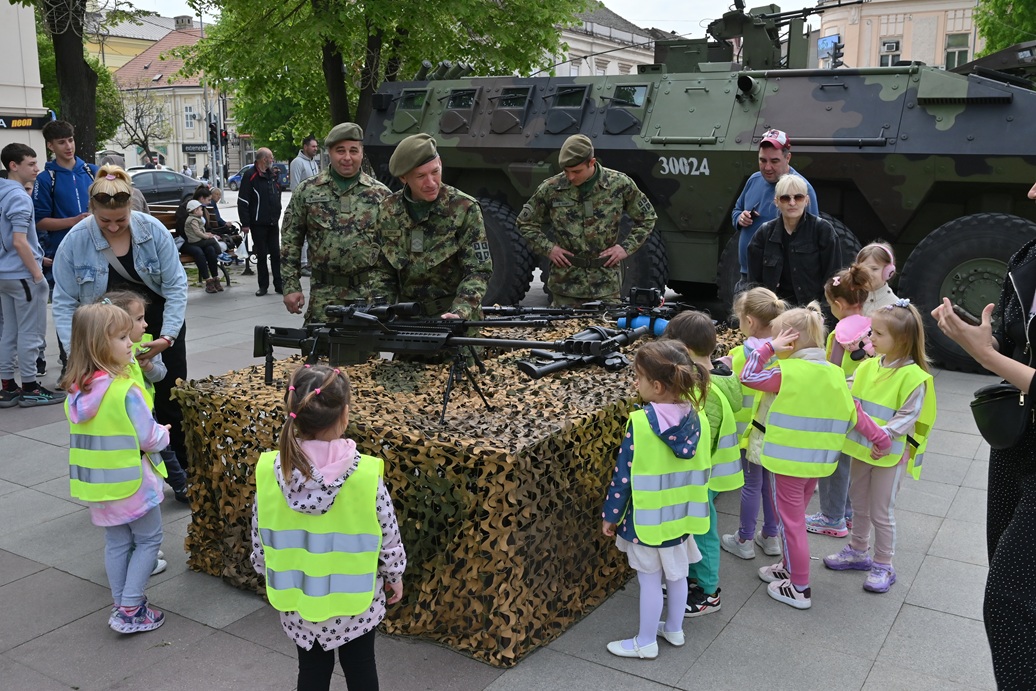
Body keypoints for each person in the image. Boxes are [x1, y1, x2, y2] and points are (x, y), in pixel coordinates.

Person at [932, 178, 1036, 685]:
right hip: (1019, 443)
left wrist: (985, 354)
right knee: (1009, 576)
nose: (1032, 192)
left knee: (1009, 603)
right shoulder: (1028, 257)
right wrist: (991, 341)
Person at [251, 364, 406, 690]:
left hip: (298, 601)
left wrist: (267, 570)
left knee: (311, 673)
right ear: (345, 414)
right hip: (355, 603)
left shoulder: (270, 471)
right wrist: (394, 576)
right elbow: (388, 534)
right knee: (362, 670)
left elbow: (261, 534)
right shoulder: (365, 476)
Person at [52, 165, 190, 471]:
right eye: (104, 221)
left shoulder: (152, 230)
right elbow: (63, 302)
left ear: (132, 208)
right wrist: (76, 351)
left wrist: (167, 337)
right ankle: (131, 473)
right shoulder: (75, 241)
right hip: (104, 334)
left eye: (121, 220)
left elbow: (177, 285)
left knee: (171, 398)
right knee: (115, 404)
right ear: (91, 210)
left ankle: (183, 472)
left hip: (153, 324)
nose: (113, 227)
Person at [60, 302, 170, 634]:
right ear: (99, 344)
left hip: (100, 486)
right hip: (132, 482)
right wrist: (163, 433)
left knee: (117, 543)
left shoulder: (78, 392)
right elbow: (149, 438)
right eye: (122, 337)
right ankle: (131, 608)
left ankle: (121, 604)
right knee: (149, 539)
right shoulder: (125, 390)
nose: (130, 343)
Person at [740, 303, 857, 609]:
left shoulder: (787, 371)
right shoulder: (833, 372)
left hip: (787, 461)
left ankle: (800, 587)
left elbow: (748, 376)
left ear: (789, 341)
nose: (775, 342)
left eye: (778, 337)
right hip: (817, 461)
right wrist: (878, 438)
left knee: (790, 524)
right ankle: (788, 567)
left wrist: (767, 348)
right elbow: (853, 413)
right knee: (794, 519)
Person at [601, 339, 710, 658]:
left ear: (658, 385)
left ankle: (645, 642)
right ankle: (674, 629)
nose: (635, 383)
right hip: (682, 517)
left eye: (638, 377)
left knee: (650, 582)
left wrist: (611, 515)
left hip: (646, 521)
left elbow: (623, 477)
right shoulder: (699, 418)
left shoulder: (640, 424)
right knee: (678, 576)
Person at [825, 300, 936, 594]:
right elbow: (851, 395)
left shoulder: (914, 377)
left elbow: (908, 416)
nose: (870, 338)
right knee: (859, 503)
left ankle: (884, 564)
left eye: (877, 334)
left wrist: (882, 436)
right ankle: (858, 550)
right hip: (863, 450)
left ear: (901, 340)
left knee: (881, 512)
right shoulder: (868, 366)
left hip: (888, 454)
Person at [663, 311, 743, 618]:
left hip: (702, 476)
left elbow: (695, 442)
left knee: (702, 531)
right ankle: (693, 580)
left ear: (683, 349)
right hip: (711, 473)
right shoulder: (721, 376)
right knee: (697, 528)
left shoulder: (701, 390)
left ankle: (708, 592)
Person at [517, 134, 657, 306]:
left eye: (576, 171)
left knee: (605, 331)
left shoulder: (619, 184)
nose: (570, 177)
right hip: (565, 285)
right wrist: (549, 249)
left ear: (592, 162)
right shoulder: (552, 188)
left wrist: (625, 248)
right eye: (566, 171)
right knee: (564, 332)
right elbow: (525, 222)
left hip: (606, 285)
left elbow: (647, 217)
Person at [282, 124, 391, 324]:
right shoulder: (307, 191)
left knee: (367, 355)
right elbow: (290, 241)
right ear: (330, 152)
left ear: (361, 153)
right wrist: (291, 286)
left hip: (367, 295)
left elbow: (394, 248)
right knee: (319, 352)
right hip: (324, 296)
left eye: (353, 151)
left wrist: (390, 294)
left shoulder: (381, 194)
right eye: (340, 151)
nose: (347, 157)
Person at [377, 133, 491, 319]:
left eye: (435, 172)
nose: (431, 183)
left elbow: (478, 270)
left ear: (440, 163)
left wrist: (460, 311)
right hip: (407, 320)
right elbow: (381, 270)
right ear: (404, 178)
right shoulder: (388, 210)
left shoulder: (464, 208)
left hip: (455, 320)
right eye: (421, 176)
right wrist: (383, 310)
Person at [805, 265, 873, 539]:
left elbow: (831, 371)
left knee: (833, 464)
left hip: (841, 407)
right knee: (851, 463)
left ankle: (831, 518)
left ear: (839, 303)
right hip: (865, 405)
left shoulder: (840, 334)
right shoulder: (872, 327)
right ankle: (848, 514)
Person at [104, 289, 189, 504]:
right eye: (139, 319)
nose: (146, 324)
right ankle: (134, 487)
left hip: (146, 410)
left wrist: (148, 365)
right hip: (120, 414)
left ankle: (180, 484)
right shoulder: (106, 350)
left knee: (163, 448)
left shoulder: (148, 343)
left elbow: (161, 375)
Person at [720, 287, 786, 561]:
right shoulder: (785, 353)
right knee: (770, 486)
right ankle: (771, 537)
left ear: (748, 321)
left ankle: (744, 539)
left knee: (751, 485)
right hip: (774, 431)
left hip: (746, 434)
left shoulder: (738, 355)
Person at [0, 143, 62, 407]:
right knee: (30, 333)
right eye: (31, 163)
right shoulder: (18, 197)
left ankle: (7, 387)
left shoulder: (2, 191)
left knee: (10, 331)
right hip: (22, 275)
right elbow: (19, 241)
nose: (37, 168)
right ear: (14, 166)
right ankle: (30, 387)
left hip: (6, 273)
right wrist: (38, 276)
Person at [33, 120, 98, 372]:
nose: (68, 146)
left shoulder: (92, 171)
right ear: (50, 146)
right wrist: (74, 222)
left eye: (70, 140)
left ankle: (99, 359)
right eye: (61, 142)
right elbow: (39, 221)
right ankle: (69, 363)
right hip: (65, 252)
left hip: (97, 249)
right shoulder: (45, 178)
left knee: (97, 306)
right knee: (68, 308)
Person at [732, 128, 819, 285]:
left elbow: (812, 237)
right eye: (762, 160)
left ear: (788, 158)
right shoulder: (754, 180)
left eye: (774, 161)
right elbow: (736, 210)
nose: (767, 167)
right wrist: (739, 218)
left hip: (779, 281)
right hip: (747, 276)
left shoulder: (802, 189)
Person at [746, 173, 842, 308]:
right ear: (776, 201)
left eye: (798, 197)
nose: (792, 203)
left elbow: (833, 279)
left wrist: (822, 315)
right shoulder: (763, 234)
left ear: (806, 200)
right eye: (785, 198)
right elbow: (754, 284)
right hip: (774, 313)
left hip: (811, 313)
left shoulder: (823, 230)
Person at [238, 148, 283, 297]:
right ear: (264, 159)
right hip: (258, 223)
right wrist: (245, 224)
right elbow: (243, 200)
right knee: (262, 255)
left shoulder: (272, 175)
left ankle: (279, 284)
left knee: (276, 254)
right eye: (271, 158)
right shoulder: (250, 175)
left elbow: (277, 194)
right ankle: (263, 286)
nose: (272, 160)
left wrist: (277, 212)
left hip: (272, 222)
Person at [290, 136, 321, 278]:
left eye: (316, 146)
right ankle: (302, 264)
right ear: (305, 146)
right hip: (303, 206)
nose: (315, 149)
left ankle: (310, 262)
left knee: (312, 236)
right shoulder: (297, 163)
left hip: (315, 206)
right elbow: (295, 186)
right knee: (301, 236)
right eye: (313, 146)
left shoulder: (314, 163)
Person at [182, 199, 223, 294]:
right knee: (201, 250)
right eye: (201, 209)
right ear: (195, 210)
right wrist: (207, 237)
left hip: (200, 240)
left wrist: (208, 234)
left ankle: (215, 278)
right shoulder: (192, 219)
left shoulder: (198, 218)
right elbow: (197, 232)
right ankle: (208, 280)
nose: (202, 211)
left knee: (210, 249)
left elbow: (201, 231)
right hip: (193, 242)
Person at [856, 242, 900, 315]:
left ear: (888, 271)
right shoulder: (852, 297)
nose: (867, 273)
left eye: (874, 269)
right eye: (862, 269)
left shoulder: (894, 306)